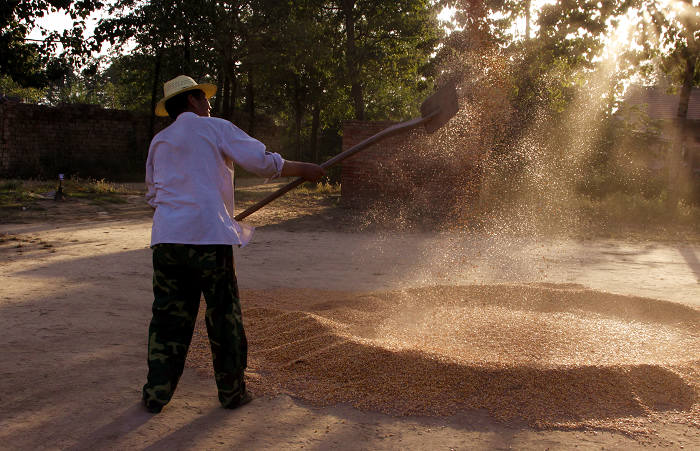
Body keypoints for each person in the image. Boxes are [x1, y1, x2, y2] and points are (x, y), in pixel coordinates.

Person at [142, 75, 324, 413]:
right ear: (193, 101)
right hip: (209, 240)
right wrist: (305, 169)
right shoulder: (215, 128)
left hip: (167, 241)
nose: (210, 105)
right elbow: (260, 162)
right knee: (223, 316)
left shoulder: (160, 141)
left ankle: (155, 395)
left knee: (168, 321)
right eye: (205, 99)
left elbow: (154, 192)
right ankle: (232, 393)